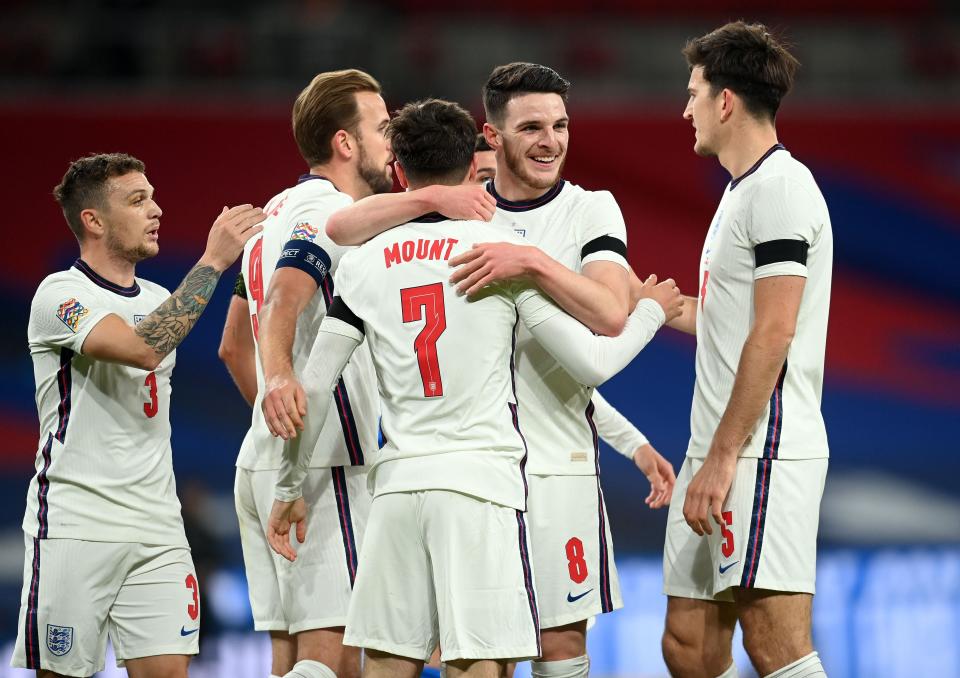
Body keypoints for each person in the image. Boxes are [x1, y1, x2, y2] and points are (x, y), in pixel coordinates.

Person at [264, 98, 681, 678]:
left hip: (397, 489)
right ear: (471, 171)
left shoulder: (361, 264)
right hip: (480, 490)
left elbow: (312, 387)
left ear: (400, 173)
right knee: (477, 661)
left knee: (387, 664)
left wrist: (288, 486)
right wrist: (652, 315)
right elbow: (592, 363)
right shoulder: (498, 261)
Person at [220, 69, 507, 678]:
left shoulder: (275, 210)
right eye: (381, 129)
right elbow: (283, 300)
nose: (391, 143)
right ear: (345, 144)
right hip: (326, 461)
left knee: (290, 656)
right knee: (337, 659)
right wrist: (285, 392)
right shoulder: (328, 209)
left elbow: (230, 346)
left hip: (269, 455)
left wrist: (276, 416)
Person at [12, 152, 263, 677]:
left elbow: (157, 334)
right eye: (137, 200)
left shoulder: (157, 297)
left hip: (158, 529)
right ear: (94, 220)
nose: (156, 210)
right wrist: (213, 261)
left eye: (152, 196)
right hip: (76, 524)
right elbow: (141, 349)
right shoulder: (60, 296)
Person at [661, 22, 832, 678]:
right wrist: (655, 308)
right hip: (719, 448)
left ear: (725, 102)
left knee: (775, 645)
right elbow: (732, 322)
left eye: (694, 92)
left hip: (761, 452)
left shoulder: (781, 190)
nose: (686, 108)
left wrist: (723, 459)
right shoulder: (742, 192)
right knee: (690, 644)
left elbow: (773, 331)